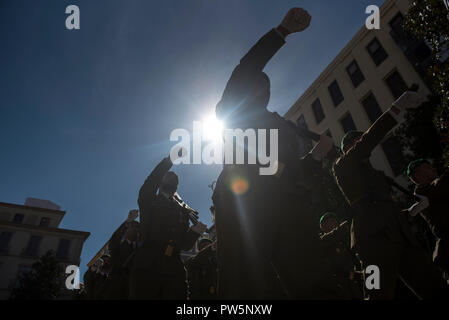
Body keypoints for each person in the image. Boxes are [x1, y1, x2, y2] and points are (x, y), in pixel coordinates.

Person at [213, 7, 340, 299]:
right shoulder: (233, 110)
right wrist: (281, 32)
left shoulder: (284, 127)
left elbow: (294, 170)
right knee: (243, 283)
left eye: (266, 84)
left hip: (288, 201)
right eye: (256, 81)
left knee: (312, 279)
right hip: (244, 200)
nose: (261, 86)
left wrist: (318, 155)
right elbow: (246, 67)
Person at [332, 91, 448, 299]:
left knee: (434, 286)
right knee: (376, 293)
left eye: (360, 139)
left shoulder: (376, 175)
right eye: (355, 142)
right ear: (347, 149)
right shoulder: (343, 166)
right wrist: (394, 109)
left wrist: (409, 212)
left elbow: (385, 206)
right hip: (371, 242)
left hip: (400, 234)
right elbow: (365, 144)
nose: (361, 143)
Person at [129, 155, 207, 299]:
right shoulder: (149, 200)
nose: (172, 178)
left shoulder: (182, 211)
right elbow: (151, 180)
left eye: (175, 179)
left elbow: (185, 244)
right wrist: (169, 160)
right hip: (148, 264)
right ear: (160, 182)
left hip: (174, 268)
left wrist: (194, 232)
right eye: (168, 176)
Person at [407, 159, 449, 273]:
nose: (434, 168)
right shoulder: (423, 194)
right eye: (428, 167)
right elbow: (439, 187)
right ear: (418, 175)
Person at [319, 214, 365, 300]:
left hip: (355, 282)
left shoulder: (341, 241)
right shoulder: (323, 241)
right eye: (332, 221)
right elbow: (335, 233)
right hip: (342, 286)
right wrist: (347, 222)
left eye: (335, 220)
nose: (336, 222)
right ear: (323, 226)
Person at [105, 209, 142, 300]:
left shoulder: (139, 249)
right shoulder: (118, 248)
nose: (134, 231)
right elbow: (113, 241)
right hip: (117, 284)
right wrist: (128, 221)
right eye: (132, 228)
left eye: (137, 230)